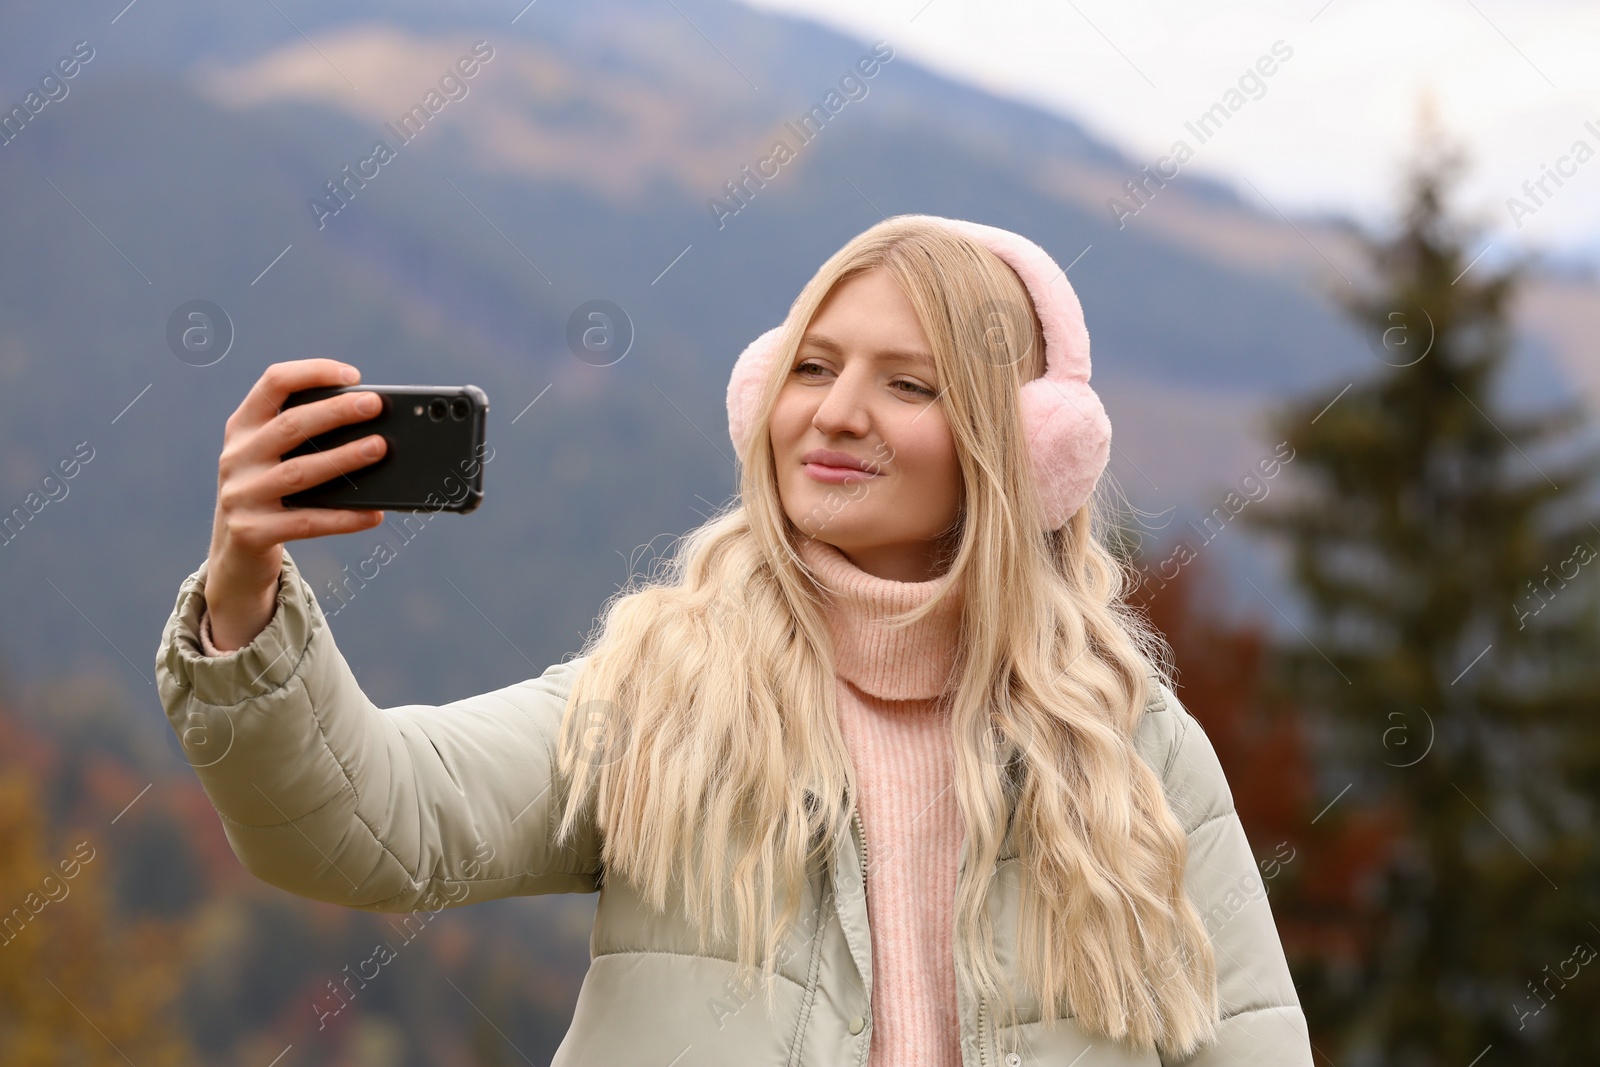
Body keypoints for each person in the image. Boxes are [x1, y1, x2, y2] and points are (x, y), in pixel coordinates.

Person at [155, 214, 1312, 1065]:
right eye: (811, 366)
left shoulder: (1128, 745)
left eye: (906, 383)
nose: (834, 409)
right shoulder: (668, 688)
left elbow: (1250, 1045)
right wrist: (245, 595)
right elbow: (373, 825)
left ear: (1022, 448)